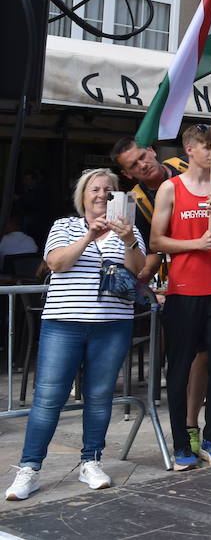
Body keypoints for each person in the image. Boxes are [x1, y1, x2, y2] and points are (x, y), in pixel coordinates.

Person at [4, 169, 145, 501]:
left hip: (111, 324)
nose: (101, 195)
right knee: (49, 397)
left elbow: (137, 269)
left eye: (109, 191)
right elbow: (56, 263)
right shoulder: (63, 226)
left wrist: (127, 240)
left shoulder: (129, 229)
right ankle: (30, 467)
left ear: (117, 198)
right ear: (82, 196)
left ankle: (90, 461)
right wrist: (87, 237)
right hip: (64, 323)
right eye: (94, 190)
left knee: (99, 397)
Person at [149, 125, 211, 470]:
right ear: (189, 149)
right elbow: (156, 241)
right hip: (184, 291)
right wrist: (193, 244)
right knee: (179, 370)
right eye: (206, 147)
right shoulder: (169, 188)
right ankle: (180, 444)